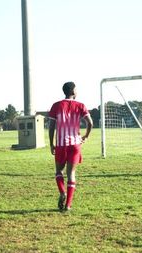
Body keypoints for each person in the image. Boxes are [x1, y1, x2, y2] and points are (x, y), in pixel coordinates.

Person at [48, 82, 93, 211]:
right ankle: (68, 205)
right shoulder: (80, 106)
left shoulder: (56, 106)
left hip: (61, 144)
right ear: (72, 91)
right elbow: (90, 122)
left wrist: (52, 144)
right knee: (71, 173)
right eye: (76, 89)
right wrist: (86, 136)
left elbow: (51, 127)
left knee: (58, 172)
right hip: (75, 144)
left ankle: (62, 192)